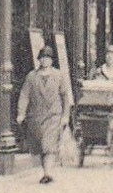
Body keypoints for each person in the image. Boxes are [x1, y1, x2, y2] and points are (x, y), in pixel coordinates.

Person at [16, 46, 74, 184]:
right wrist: (21, 113)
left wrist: (66, 115)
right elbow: (24, 95)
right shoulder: (31, 76)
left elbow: (65, 97)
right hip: (36, 116)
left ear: (52, 60)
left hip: (54, 115)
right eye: (42, 58)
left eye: (47, 58)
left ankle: (48, 173)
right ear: (39, 60)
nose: (45, 61)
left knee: (49, 144)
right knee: (41, 146)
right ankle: (45, 171)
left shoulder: (59, 76)